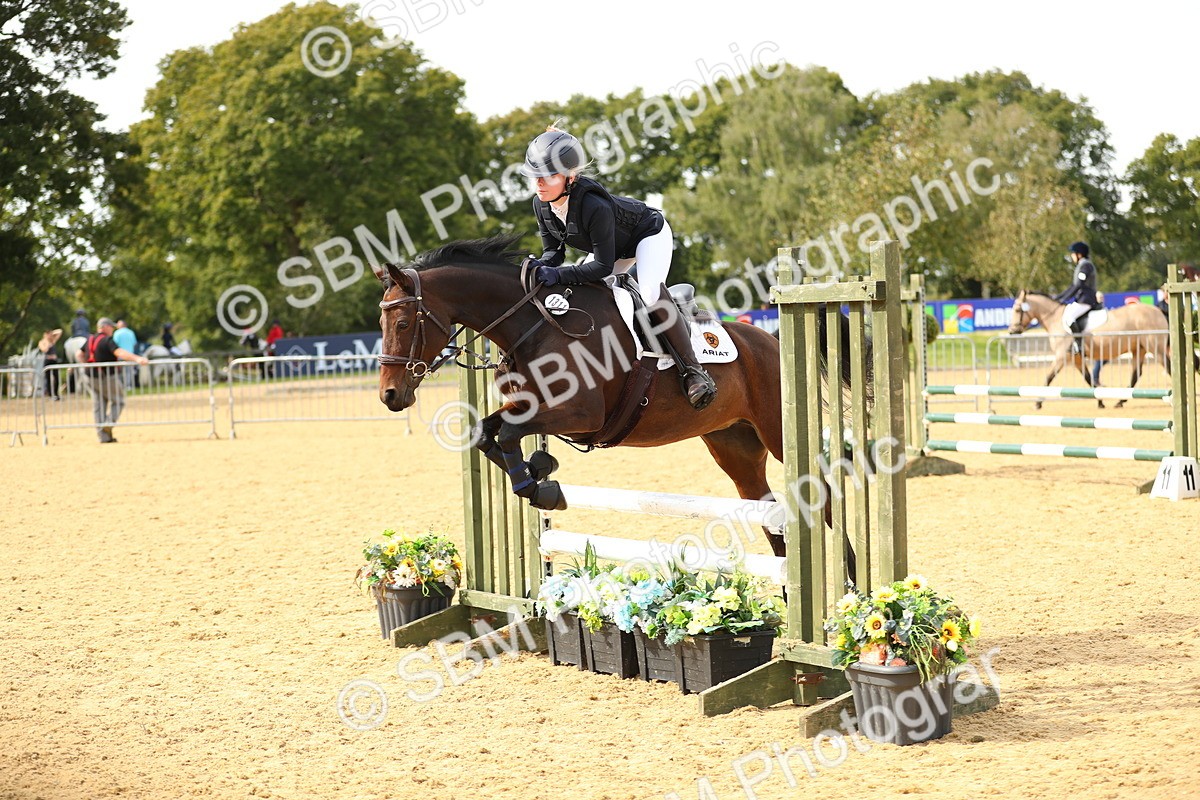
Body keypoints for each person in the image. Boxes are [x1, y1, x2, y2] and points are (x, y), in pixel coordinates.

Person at [519, 127, 716, 409]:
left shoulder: (593, 206)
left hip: (648, 235)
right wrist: (540, 266)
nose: (539, 183)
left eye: (548, 176)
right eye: (535, 176)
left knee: (649, 292)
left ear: (570, 177)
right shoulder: (541, 205)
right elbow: (554, 252)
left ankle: (694, 371)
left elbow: (601, 266)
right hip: (614, 249)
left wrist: (558, 274)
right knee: (588, 294)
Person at [86, 317, 150, 443]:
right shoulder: (107, 340)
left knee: (99, 405)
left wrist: (84, 365)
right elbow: (119, 352)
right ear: (105, 327)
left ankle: (103, 437)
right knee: (119, 401)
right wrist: (137, 358)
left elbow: (79, 353)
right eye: (111, 327)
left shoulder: (90, 339)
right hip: (107, 376)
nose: (112, 330)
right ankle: (108, 423)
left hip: (90, 377)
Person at [1054, 241, 1099, 354]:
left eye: (1073, 253)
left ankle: (1079, 345)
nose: (1072, 256)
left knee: (1069, 317)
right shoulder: (1081, 266)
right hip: (1081, 299)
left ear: (1079, 254)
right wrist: (1059, 297)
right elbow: (1073, 286)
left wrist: (1063, 299)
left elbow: (1079, 285)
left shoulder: (1086, 266)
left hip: (1087, 299)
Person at [38, 328, 63, 400]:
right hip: (47, 361)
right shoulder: (42, 342)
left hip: (54, 361)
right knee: (48, 378)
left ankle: (56, 393)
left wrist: (52, 333)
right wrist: (47, 341)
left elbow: (60, 331)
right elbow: (44, 350)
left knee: (56, 378)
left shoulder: (53, 340)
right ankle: (50, 394)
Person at [113, 320, 139, 388]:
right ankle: (128, 386)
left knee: (119, 372)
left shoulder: (117, 333)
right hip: (130, 355)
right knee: (129, 372)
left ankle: (121, 386)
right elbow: (134, 343)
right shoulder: (131, 332)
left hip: (120, 355)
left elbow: (114, 344)